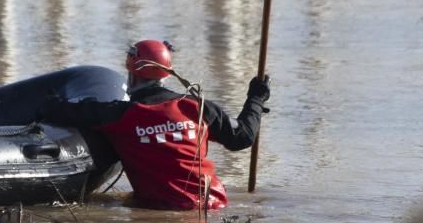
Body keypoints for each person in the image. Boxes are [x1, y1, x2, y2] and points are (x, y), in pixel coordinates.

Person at [39, 40, 269, 210]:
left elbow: (59, 111)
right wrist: (256, 99)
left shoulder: (118, 115)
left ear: (131, 75)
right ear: (168, 74)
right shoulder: (198, 108)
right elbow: (243, 136)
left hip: (162, 209)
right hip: (213, 207)